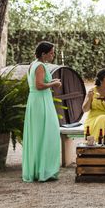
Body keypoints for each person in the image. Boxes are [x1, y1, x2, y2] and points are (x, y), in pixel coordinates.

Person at [22, 41, 63, 182]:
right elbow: (39, 85)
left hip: (36, 101)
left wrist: (52, 80)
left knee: (38, 135)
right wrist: (54, 83)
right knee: (47, 133)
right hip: (41, 102)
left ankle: (39, 169)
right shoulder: (40, 66)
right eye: (51, 53)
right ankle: (44, 170)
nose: (53, 55)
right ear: (43, 54)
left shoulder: (33, 64)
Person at [82, 68, 105, 141]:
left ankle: (95, 145)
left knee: (102, 119)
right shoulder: (92, 91)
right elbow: (85, 109)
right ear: (101, 80)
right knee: (99, 120)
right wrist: (89, 98)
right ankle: (99, 145)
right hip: (92, 119)